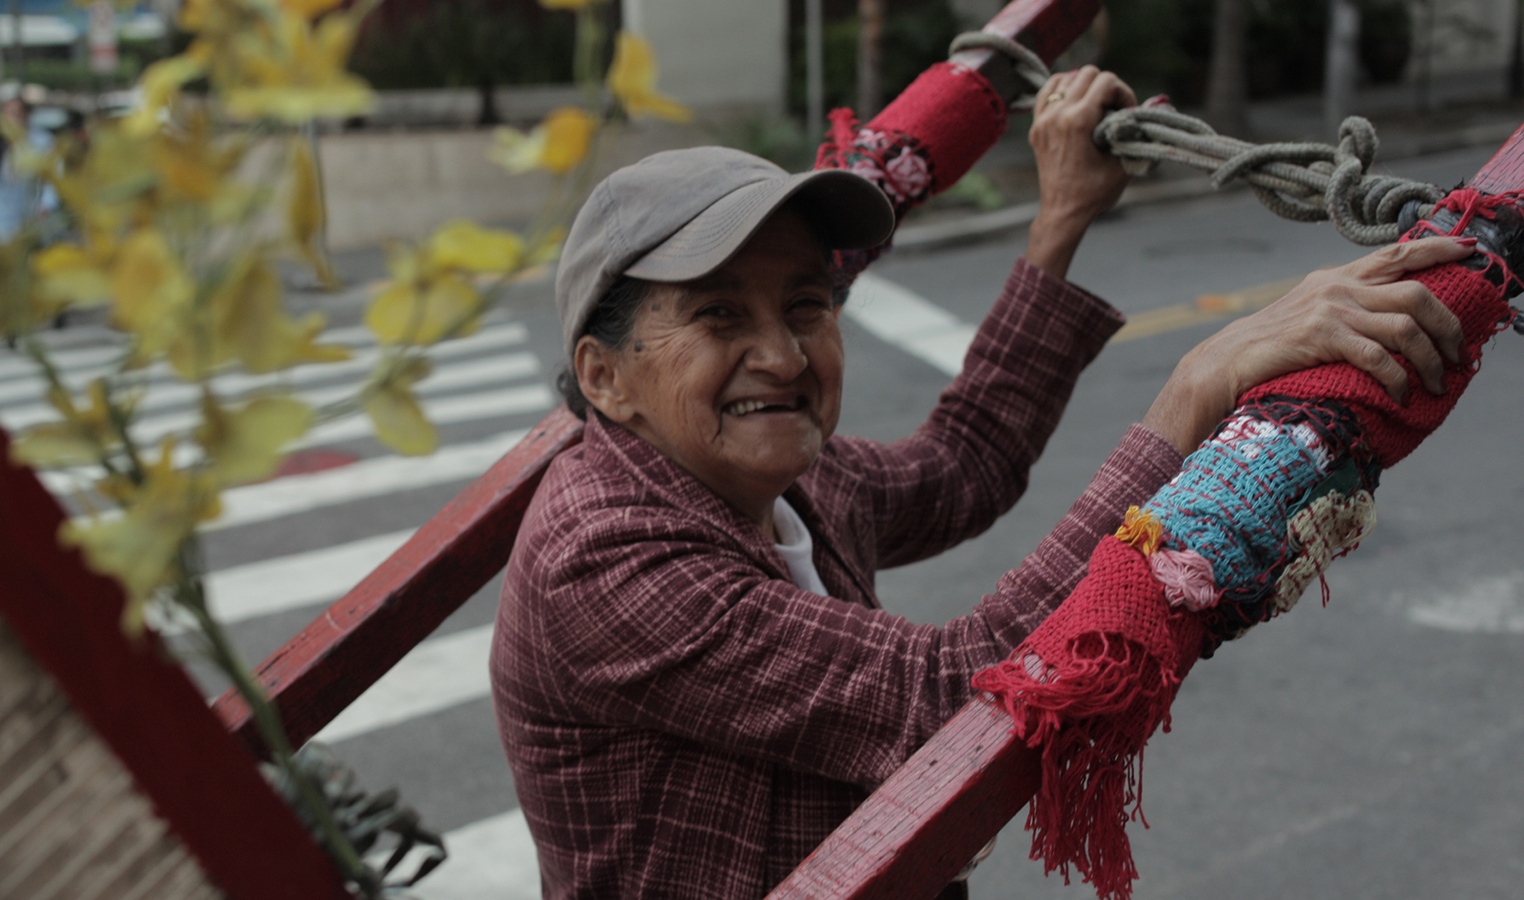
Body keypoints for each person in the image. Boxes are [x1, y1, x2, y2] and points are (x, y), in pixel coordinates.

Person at [489, 65, 1472, 900]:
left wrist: (1061, 215)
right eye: (716, 317)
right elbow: (952, 698)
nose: (782, 356)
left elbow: (959, 467)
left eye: (804, 305)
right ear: (604, 377)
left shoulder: (771, 474)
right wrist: (1195, 388)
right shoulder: (602, 551)